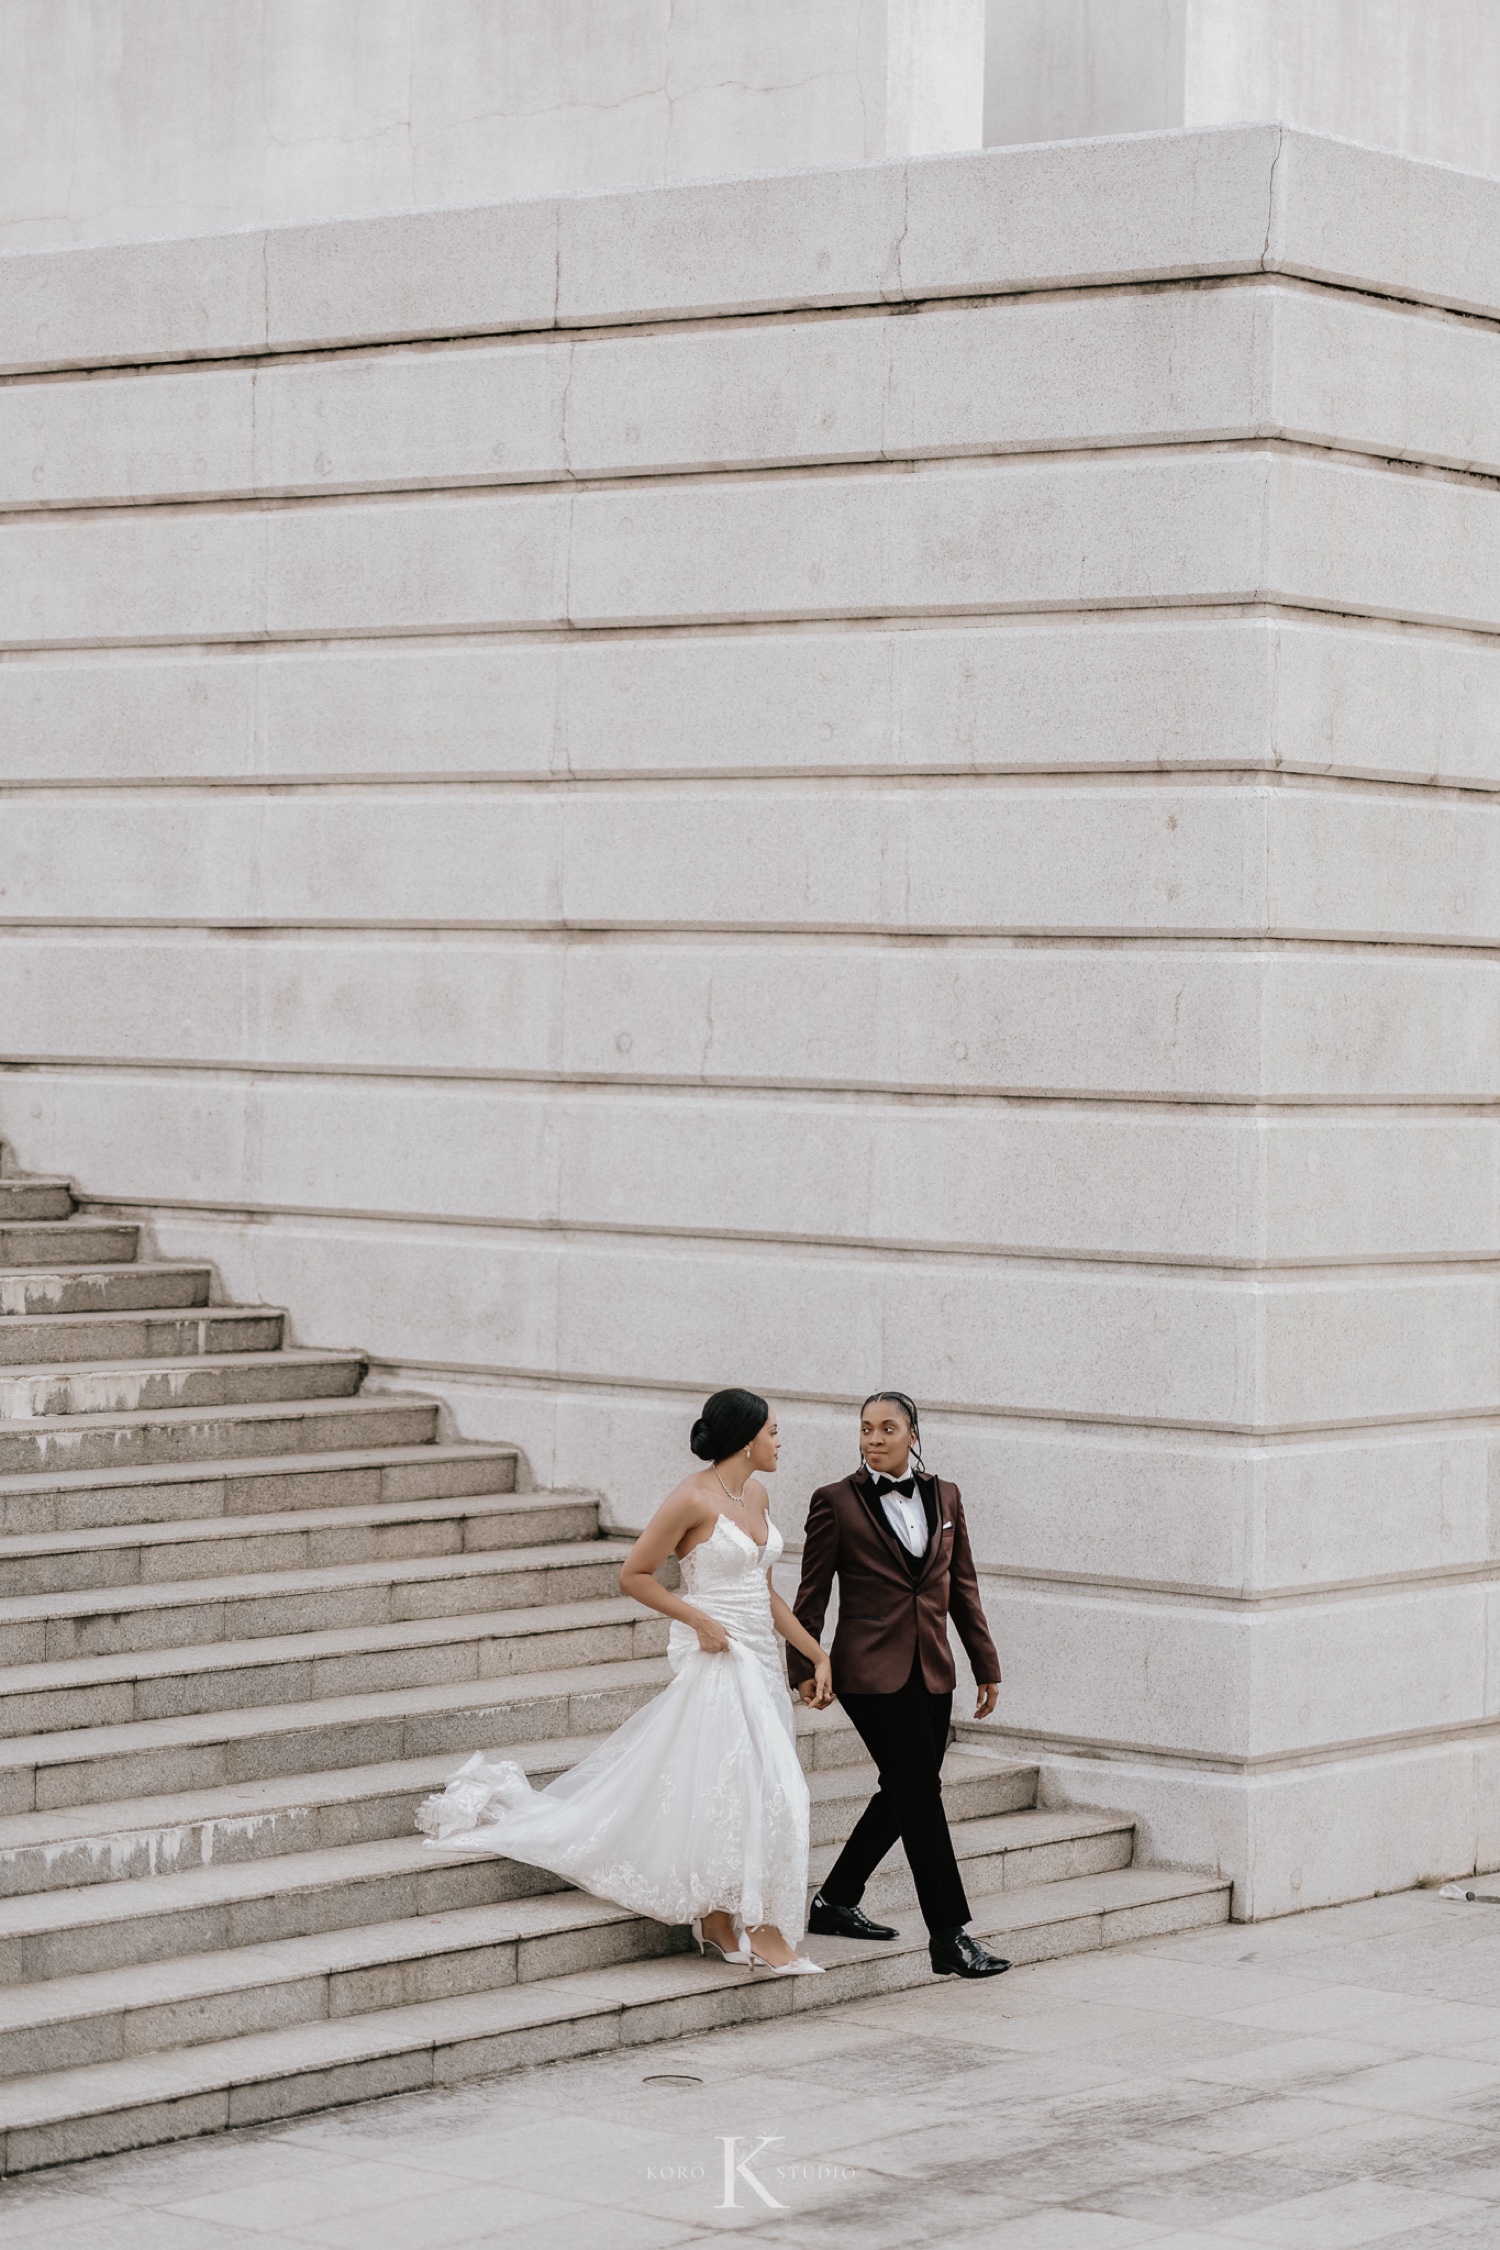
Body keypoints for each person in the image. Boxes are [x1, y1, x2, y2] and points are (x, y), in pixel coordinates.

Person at [418, 1387, 834, 1973]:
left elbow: (763, 1593)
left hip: (761, 1660)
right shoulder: (691, 1498)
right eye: (773, 1431)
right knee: (771, 1789)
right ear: (745, 1438)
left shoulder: (757, 1493)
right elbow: (634, 1575)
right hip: (717, 1658)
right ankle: (764, 1929)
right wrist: (699, 1621)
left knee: (737, 1789)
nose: (779, 1440)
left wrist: (816, 1654)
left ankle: (717, 1923)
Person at [787, 1390, 1010, 1979]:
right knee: (919, 1793)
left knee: (907, 1788)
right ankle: (950, 1936)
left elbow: (963, 1587)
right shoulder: (835, 1501)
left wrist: (985, 1664)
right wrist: (804, 1668)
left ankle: (836, 1900)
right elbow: (813, 1592)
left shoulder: (947, 1496)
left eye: (887, 1428)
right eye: (865, 1429)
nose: (874, 1439)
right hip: (868, 1672)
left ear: (914, 1434)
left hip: (933, 1668)